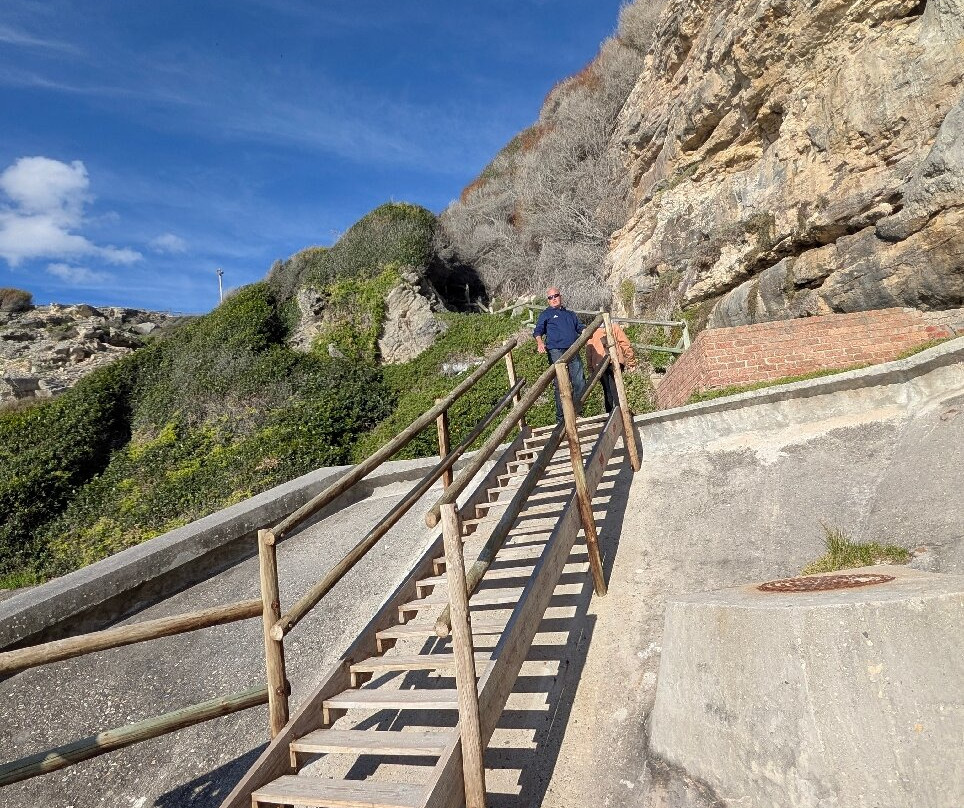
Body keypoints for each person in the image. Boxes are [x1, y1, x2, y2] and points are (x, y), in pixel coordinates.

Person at [533, 287, 587, 422]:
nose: (553, 299)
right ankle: (561, 417)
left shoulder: (570, 314)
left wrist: (587, 331)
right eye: (550, 297)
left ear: (560, 296)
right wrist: (540, 343)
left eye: (555, 296)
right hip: (556, 350)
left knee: (580, 381)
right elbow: (538, 330)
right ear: (547, 300)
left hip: (573, 349)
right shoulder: (546, 314)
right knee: (560, 384)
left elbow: (580, 327)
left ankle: (575, 411)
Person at [586, 320, 636, 413]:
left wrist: (590, 368)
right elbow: (625, 343)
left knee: (607, 389)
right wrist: (631, 361)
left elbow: (589, 350)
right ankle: (621, 411)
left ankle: (610, 414)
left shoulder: (593, 331)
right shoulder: (614, 326)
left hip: (599, 363)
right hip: (615, 360)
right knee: (616, 386)